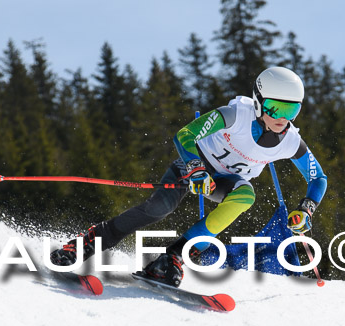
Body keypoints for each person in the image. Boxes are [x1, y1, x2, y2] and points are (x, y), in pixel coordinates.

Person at [50, 66, 328, 287]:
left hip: (225, 181)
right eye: (276, 108)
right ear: (258, 102)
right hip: (194, 165)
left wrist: (307, 210)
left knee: (246, 195)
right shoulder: (235, 115)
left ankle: (174, 257)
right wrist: (196, 168)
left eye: (292, 110)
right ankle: (88, 241)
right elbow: (185, 134)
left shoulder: (290, 141)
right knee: (159, 209)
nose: (283, 119)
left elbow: (318, 179)